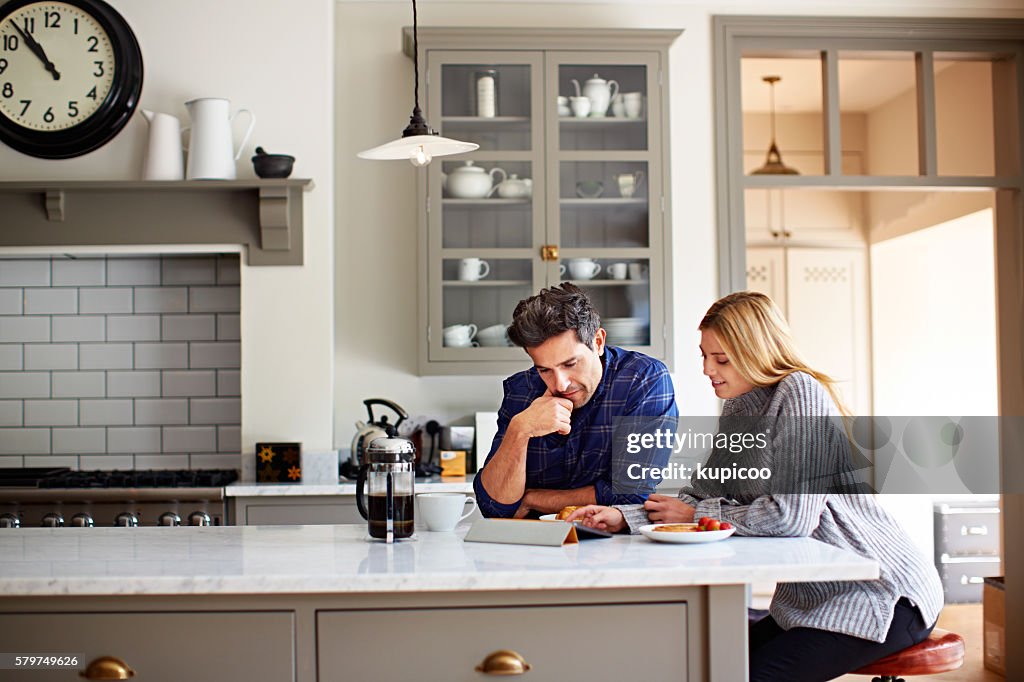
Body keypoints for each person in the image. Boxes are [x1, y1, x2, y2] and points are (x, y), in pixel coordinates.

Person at [567, 291, 944, 682]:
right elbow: (702, 494)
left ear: (756, 352)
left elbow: (791, 518)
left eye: (722, 359)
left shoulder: (800, 393)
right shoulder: (740, 406)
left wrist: (695, 514)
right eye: (704, 355)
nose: (707, 369)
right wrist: (623, 517)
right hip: (810, 600)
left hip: (881, 598)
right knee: (707, 664)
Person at [473, 283, 678, 518]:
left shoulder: (643, 379)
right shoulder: (522, 390)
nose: (559, 384)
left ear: (598, 342)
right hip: (532, 545)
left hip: (610, 545)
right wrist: (520, 430)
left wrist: (533, 499)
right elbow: (494, 507)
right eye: (544, 370)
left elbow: (631, 494)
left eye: (570, 364)